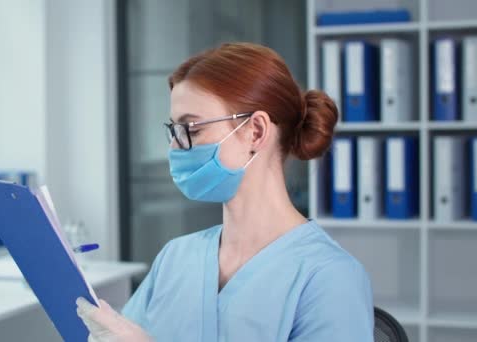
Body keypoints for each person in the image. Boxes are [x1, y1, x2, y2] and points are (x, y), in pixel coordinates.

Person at [76, 42, 374, 341]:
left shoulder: (329, 277)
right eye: (174, 131)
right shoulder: (176, 257)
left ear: (255, 131)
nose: (175, 147)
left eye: (191, 129)